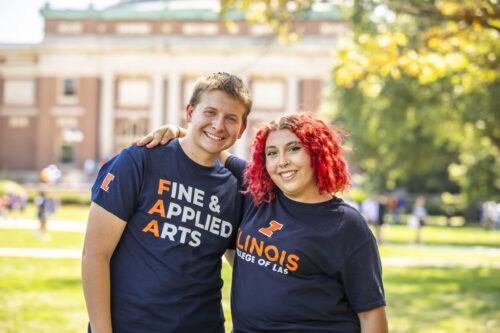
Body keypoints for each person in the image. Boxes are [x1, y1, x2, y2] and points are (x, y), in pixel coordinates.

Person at [140, 113, 388, 332]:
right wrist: (180, 133)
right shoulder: (259, 194)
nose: (282, 161)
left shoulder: (346, 224)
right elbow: (215, 150)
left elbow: (370, 314)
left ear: (317, 152)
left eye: (293, 149)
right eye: (272, 153)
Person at [82, 72, 252, 333]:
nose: (219, 125)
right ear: (189, 112)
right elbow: (95, 255)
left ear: (241, 130)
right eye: (210, 112)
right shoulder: (139, 161)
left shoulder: (235, 189)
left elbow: (243, 266)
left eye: (231, 118)